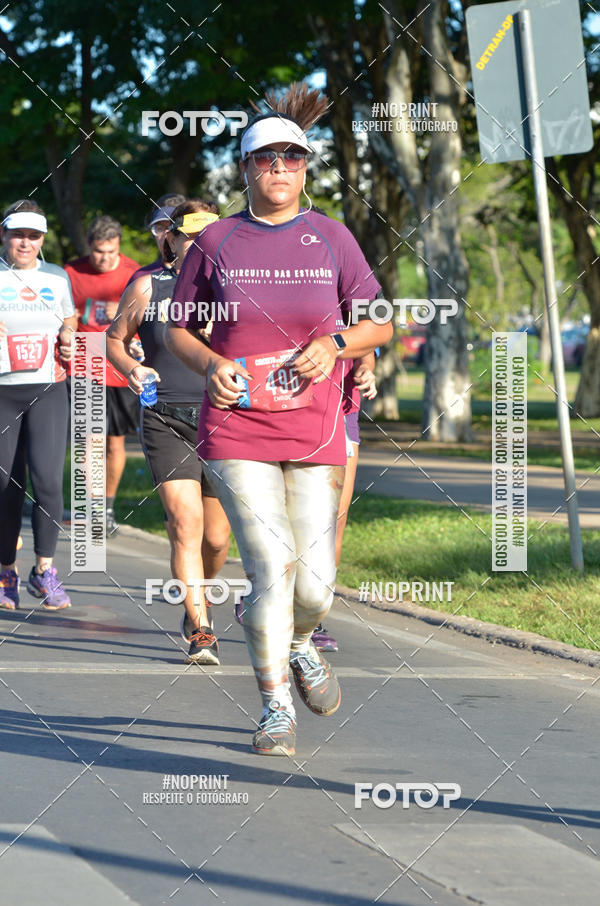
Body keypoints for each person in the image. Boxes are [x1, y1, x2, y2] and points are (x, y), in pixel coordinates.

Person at [166, 83, 392, 756]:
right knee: (272, 567)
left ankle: (298, 640)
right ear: (245, 170)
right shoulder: (216, 242)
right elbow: (180, 329)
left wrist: (337, 344)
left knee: (316, 585)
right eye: (266, 161)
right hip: (238, 428)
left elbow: (379, 322)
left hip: (316, 428)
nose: (280, 171)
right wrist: (210, 365)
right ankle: (273, 709)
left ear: (305, 168)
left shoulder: (332, 238)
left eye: (292, 159)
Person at [106, 200, 230, 664]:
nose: (199, 244)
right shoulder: (148, 285)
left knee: (217, 539)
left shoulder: (233, 286)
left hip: (223, 418)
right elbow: (114, 338)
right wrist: (132, 369)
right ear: (170, 238)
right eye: (190, 235)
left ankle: (202, 595)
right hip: (166, 418)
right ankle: (200, 629)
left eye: (209, 236)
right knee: (185, 523)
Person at [0, 200, 76, 610]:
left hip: (47, 387)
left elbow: (70, 317)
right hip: (2, 391)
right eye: (17, 234)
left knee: (48, 481)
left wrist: (67, 331)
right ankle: (5, 571)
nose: (25, 243)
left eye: (33, 236)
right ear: (4, 235)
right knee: (5, 486)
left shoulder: (56, 276)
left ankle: (44, 570)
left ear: (42, 239)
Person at [65, 216, 140, 535]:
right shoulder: (72, 272)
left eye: (110, 252)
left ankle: (106, 509)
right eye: (98, 252)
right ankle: (89, 509)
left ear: (118, 247)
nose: (104, 258)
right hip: (84, 366)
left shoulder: (133, 272)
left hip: (120, 369)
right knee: (88, 443)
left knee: (114, 443)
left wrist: (121, 314)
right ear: (89, 247)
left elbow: (148, 317)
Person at [125, 193, 187, 287]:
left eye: (172, 227)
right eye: (160, 228)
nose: (167, 235)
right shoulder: (141, 278)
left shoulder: (204, 275)